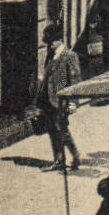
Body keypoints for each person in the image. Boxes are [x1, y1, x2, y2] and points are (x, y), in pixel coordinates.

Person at [35, 23, 82, 171]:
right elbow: (47, 78)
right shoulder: (51, 56)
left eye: (51, 42)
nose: (49, 46)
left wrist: (73, 102)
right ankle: (59, 160)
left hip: (62, 100)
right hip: (49, 100)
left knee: (62, 129)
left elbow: (75, 80)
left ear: (59, 40)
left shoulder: (69, 56)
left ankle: (75, 155)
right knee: (52, 130)